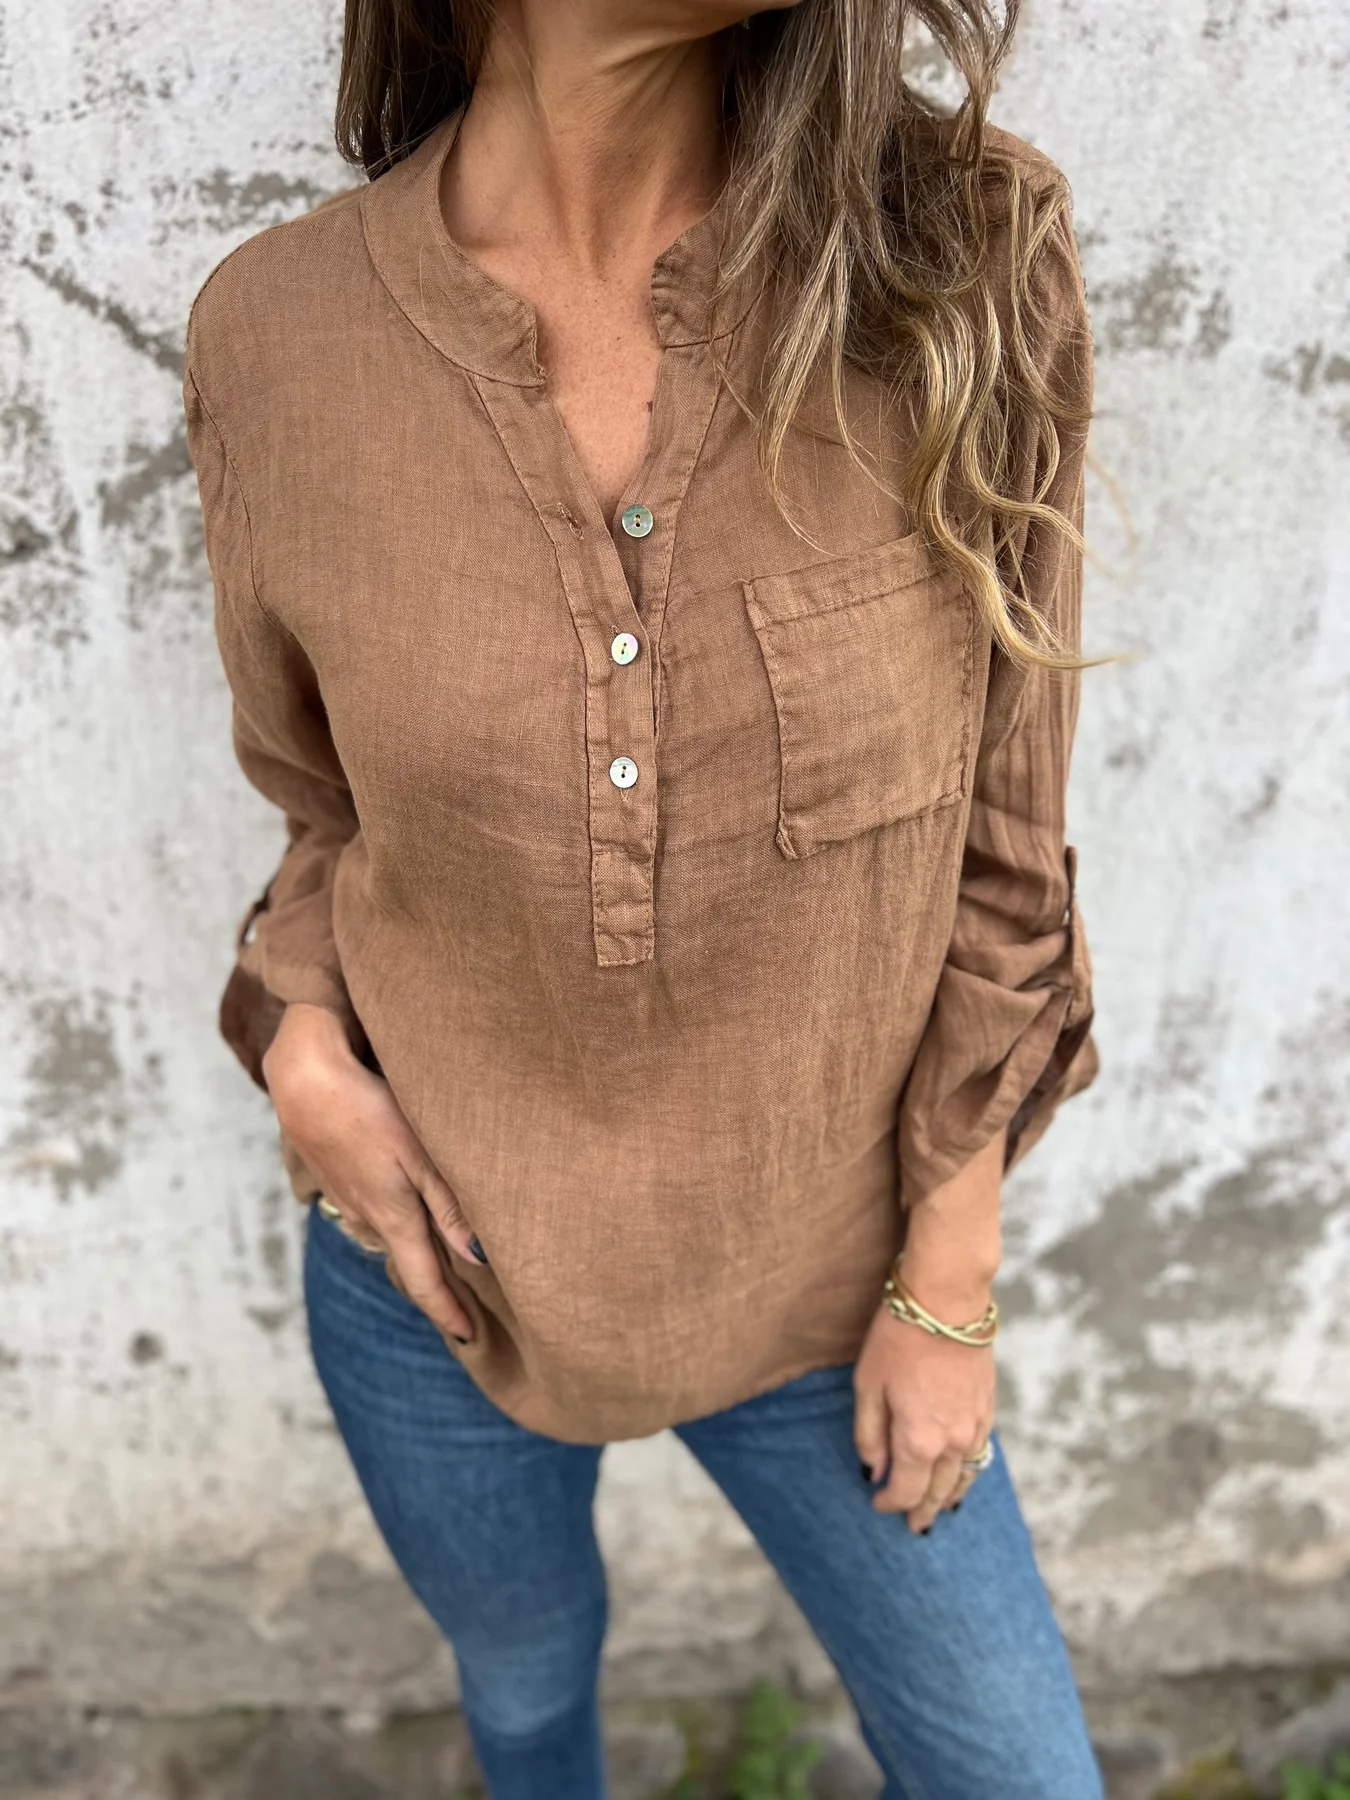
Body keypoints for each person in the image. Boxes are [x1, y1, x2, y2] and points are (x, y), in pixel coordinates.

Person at [184, 1, 1102, 1794]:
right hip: (440, 1275)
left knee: (1015, 1769)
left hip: (833, 1279)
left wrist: (948, 1276)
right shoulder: (278, 333)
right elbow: (322, 804)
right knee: (527, 1693)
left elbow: (1006, 843)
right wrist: (298, 1042)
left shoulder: (955, 254)